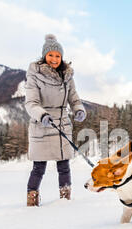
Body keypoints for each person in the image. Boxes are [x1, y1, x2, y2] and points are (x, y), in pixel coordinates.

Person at [25, 34, 86, 206]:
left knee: (64, 166)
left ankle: (65, 198)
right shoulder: (35, 75)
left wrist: (78, 109)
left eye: (58, 56)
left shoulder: (67, 76)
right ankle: (32, 199)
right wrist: (41, 115)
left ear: (62, 57)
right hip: (42, 124)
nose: (54, 59)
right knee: (39, 168)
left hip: (62, 124)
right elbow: (31, 103)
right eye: (51, 55)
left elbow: (74, 98)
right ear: (45, 56)